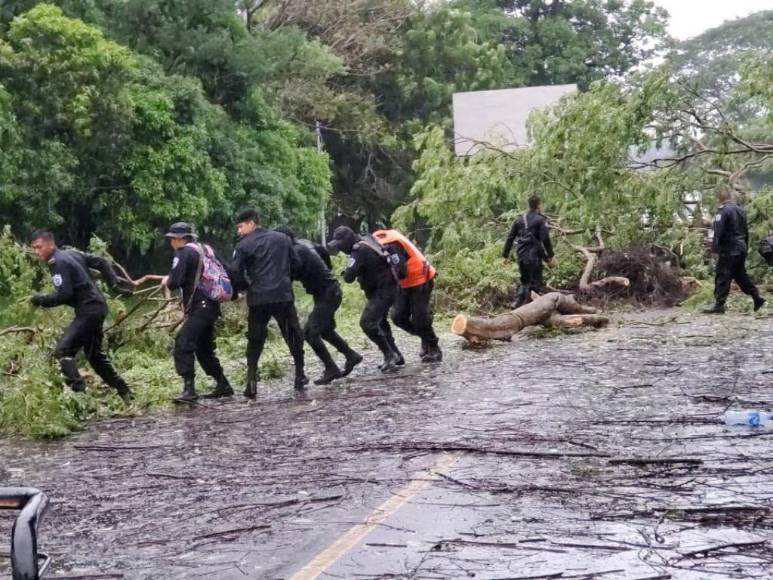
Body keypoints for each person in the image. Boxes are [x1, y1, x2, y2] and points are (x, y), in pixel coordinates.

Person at [28, 230, 132, 399]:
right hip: (97, 307)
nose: (36, 252)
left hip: (89, 311)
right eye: (34, 249)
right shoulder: (71, 253)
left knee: (63, 351)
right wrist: (114, 285)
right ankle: (126, 393)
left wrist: (39, 300)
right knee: (95, 356)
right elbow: (103, 262)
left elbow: (65, 294)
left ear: (50, 244)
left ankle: (80, 395)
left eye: (39, 247)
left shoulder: (57, 262)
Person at [232, 209, 307, 397]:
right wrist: (286, 279)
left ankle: (251, 381)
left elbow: (235, 272)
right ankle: (299, 374)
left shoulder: (243, 246)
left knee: (255, 338)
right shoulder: (282, 239)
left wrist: (245, 287)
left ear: (251, 223)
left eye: (241, 227)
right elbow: (297, 264)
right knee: (292, 334)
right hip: (282, 295)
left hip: (258, 297)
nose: (239, 231)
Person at [275, 226, 363, 385]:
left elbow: (290, 274)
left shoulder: (296, 251)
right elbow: (321, 250)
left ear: (285, 239)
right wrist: (326, 271)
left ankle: (331, 368)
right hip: (327, 291)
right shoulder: (303, 244)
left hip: (328, 293)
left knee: (309, 332)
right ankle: (351, 355)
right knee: (326, 331)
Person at [161, 223, 233, 402]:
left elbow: (174, 282)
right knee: (203, 349)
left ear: (180, 239)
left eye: (172, 239)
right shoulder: (206, 249)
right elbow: (228, 269)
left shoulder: (184, 252)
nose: (171, 243)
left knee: (183, 342)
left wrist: (167, 281)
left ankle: (189, 389)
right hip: (211, 306)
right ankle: (223, 385)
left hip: (199, 307)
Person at [328, 225, 404, 373]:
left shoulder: (359, 250)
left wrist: (345, 272)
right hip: (387, 288)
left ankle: (390, 355)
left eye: (340, 245)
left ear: (346, 242)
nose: (341, 250)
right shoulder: (365, 240)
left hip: (384, 290)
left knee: (367, 323)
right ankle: (396, 355)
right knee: (380, 322)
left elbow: (349, 277)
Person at [373, 229, 442, 362]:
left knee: (420, 317)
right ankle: (425, 337)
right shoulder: (377, 245)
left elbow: (401, 270)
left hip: (421, 279)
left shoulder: (391, 245)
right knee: (398, 317)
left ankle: (434, 347)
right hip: (404, 284)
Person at [703, 191, 765, 314]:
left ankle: (719, 305)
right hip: (740, 247)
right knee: (740, 276)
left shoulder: (723, 211)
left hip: (729, 248)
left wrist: (715, 249)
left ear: (721, 199)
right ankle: (756, 297)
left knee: (722, 275)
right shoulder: (741, 211)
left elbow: (718, 231)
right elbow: (746, 231)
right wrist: (745, 247)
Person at [502, 195, 555, 308]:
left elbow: (510, 238)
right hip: (534, 255)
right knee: (535, 283)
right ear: (539, 205)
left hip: (521, 254)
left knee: (525, 281)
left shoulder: (519, 220)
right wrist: (550, 256)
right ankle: (530, 309)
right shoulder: (540, 220)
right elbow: (545, 239)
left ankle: (517, 304)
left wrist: (505, 255)